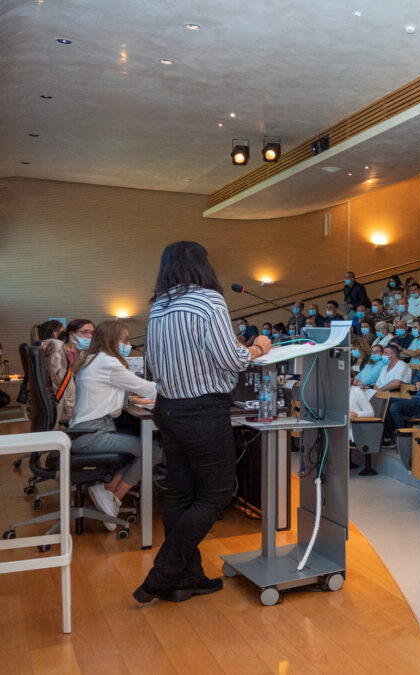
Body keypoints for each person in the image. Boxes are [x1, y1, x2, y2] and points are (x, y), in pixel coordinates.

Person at [137, 241, 273, 604]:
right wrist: (259, 347)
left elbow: (154, 362)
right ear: (203, 265)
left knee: (181, 493)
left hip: (169, 409)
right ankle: (162, 574)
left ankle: (187, 578)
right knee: (215, 495)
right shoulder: (208, 300)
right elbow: (233, 359)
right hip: (201, 412)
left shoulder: (158, 307)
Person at [67, 320, 160, 530]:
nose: (127, 344)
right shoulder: (108, 363)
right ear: (112, 341)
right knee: (153, 451)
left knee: (138, 445)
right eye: (124, 340)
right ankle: (112, 500)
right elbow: (149, 389)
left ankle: (108, 490)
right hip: (92, 434)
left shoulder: (92, 360)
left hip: (82, 432)